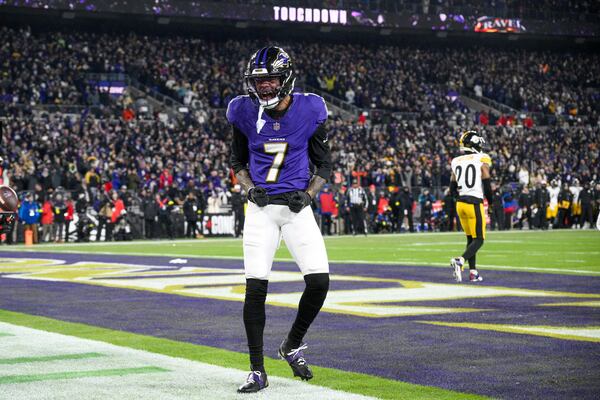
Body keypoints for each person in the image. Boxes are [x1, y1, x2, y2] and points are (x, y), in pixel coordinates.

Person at [228, 46, 331, 393]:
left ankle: (291, 344)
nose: (265, 87)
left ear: (285, 78)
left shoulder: (310, 109)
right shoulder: (243, 112)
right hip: (261, 211)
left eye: (270, 79)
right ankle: (257, 370)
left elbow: (324, 164)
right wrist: (248, 187)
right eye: (259, 81)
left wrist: (310, 194)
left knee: (319, 283)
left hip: (296, 209)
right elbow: (237, 162)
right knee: (255, 289)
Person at [449, 130, 493, 283]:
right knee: (479, 239)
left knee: (470, 239)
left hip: (461, 203)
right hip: (474, 202)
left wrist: (459, 197)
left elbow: (452, 186)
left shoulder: (456, 161)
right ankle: (460, 261)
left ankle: (473, 273)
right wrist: (491, 203)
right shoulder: (482, 158)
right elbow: (486, 182)